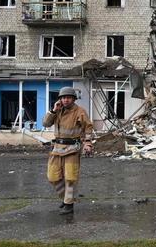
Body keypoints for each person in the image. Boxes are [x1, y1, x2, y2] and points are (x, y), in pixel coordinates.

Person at [43, 87, 93, 215]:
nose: (65, 100)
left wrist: (88, 144)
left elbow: (88, 128)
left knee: (70, 178)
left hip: (72, 149)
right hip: (57, 148)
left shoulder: (80, 112)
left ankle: (69, 205)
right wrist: (53, 111)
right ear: (60, 99)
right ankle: (65, 199)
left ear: (73, 99)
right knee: (52, 176)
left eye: (68, 98)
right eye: (63, 98)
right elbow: (46, 124)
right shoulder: (57, 111)